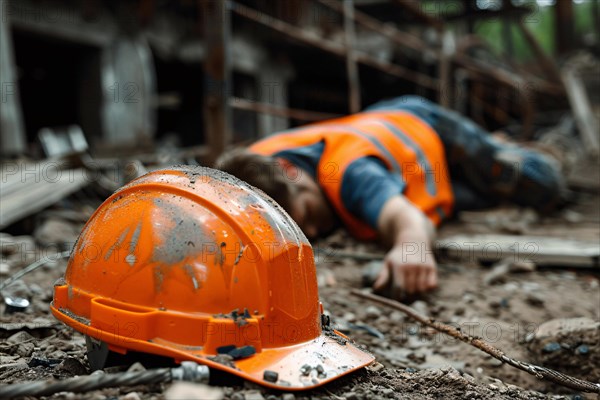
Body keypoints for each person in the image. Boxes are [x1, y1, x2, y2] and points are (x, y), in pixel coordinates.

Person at [216, 95, 567, 300]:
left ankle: (517, 150)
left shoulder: (350, 173)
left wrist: (409, 249)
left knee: (536, 185)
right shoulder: (252, 171)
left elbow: (406, 219)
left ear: (299, 180)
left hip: (418, 126)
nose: (311, 233)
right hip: (419, 176)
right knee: (485, 199)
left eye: (305, 217)